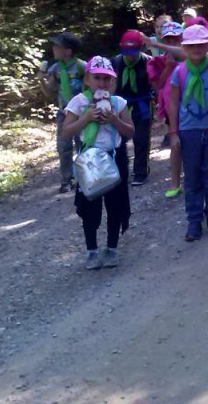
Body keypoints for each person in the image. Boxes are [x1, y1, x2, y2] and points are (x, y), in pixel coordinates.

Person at [60, 56, 134, 269]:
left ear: (112, 81)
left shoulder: (118, 102)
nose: (102, 83)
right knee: (90, 205)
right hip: (90, 160)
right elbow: (66, 131)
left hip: (114, 157)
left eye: (106, 78)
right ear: (87, 79)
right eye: (97, 78)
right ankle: (91, 251)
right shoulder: (78, 102)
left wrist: (114, 120)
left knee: (115, 204)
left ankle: (112, 248)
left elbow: (131, 131)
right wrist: (86, 118)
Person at [167, 25, 208, 241]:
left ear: (207, 47)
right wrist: (173, 132)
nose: (196, 49)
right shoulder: (179, 72)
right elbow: (173, 104)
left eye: (201, 45)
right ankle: (194, 221)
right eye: (191, 45)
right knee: (192, 178)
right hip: (188, 131)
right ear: (185, 48)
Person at [41, 31, 85, 194]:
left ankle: (86, 174)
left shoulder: (82, 67)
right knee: (63, 147)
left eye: (57, 46)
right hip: (63, 113)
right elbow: (49, 91)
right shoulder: (55, 68)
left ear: (68, 50)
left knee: (83, 144)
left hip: (80, 113)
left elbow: (89, 89)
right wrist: (41, 80)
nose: (53, 48)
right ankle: (67, 179)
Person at [148, 21, 186, 197]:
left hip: (191, 107)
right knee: (175, 144)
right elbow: (157, 86)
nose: (173, 43)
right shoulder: (158, 61)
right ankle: (175, 182)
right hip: (172, 107)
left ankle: (194, 178)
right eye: (168, 40)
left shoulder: (190, 57)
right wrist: (168, 68)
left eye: (176, 39)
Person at [113, 30, 154, 186]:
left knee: (141, 139)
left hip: (142, 104)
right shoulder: (115, 62)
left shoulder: (148, 62)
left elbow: (155, 83)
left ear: (141, 47)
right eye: (127, 52)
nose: (130, 56)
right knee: (118, 140)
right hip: (120, 105)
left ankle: (140, 172)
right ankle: (120, 170)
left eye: (134, 51)